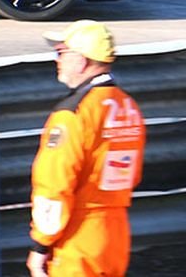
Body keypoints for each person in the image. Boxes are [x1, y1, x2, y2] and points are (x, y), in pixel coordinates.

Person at [27, 19, 145, 277]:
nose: (57, 60)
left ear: (81, 60)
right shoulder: (128, 107)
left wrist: (40, 244)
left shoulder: (72, 114)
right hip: (115, 234)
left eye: (61, 53)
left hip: (77, 236)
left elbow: (55, 185)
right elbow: (131, 175)